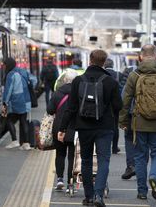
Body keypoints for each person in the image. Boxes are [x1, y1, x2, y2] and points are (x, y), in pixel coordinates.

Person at [58, 49, 122, 207]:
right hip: (105, 128)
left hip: (84, 127)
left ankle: (88, 196)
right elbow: (118, 106)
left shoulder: (78, 81)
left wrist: (62, 128)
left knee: (85, 161)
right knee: (103, 161)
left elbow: (71, 108)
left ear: (90, 61)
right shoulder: (111, 82)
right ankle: (99, 195)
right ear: (104, 62)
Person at [119, 44, 156, 200]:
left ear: (140, 56)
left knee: (140, 157)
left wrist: (123, 120)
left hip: (139, 124)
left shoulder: (134, 75)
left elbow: (126, 100)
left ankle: (142, 191)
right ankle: (155, 178)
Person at [47, 70, 78, 192]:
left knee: (60, 154)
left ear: (64, 80)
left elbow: (50, 110)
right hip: (73, 129)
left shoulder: (57, 93)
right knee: (72, 156)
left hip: (58, 129)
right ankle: (70, 182)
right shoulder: (78, 93)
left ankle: (60, 179)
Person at [2, 57, 32, 150]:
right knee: (23, 121)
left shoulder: (11, 74)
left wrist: (5, 102)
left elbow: (8, 90)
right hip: (26, 100)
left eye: (5, 65)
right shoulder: (23, 71)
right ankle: (26, 144)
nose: (3, 67)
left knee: (9, 120)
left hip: (17, 101)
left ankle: (15, 141)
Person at [119, 66, 137, 180]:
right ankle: (141, 168)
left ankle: (131, 166)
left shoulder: (129, 82)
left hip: (131, 116)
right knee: (143, 143)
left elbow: (124, 101)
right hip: (147, 117)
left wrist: (122, 121)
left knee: (129, 139)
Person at [103, 58, 124, 154]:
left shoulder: (102, 74)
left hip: (104, 104)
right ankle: (114, 147)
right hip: (115, 104)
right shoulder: (119, 75)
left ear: (104, 65)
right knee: (115, 126)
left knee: (104, 125)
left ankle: (105, 146)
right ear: (113, 65)